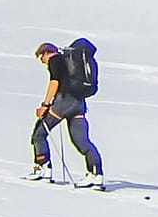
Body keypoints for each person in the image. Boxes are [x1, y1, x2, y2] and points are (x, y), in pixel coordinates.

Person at [30, 41, 104, 188]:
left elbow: (54, 82)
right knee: (82, 141)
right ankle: (96, 175)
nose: (44, 63)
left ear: (45, 53)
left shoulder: (55, 60)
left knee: (39, 133)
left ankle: (43, 169)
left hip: (64, 102)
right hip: (79, 103)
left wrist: (45, 105)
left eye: (41, 59)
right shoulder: (71, 61)